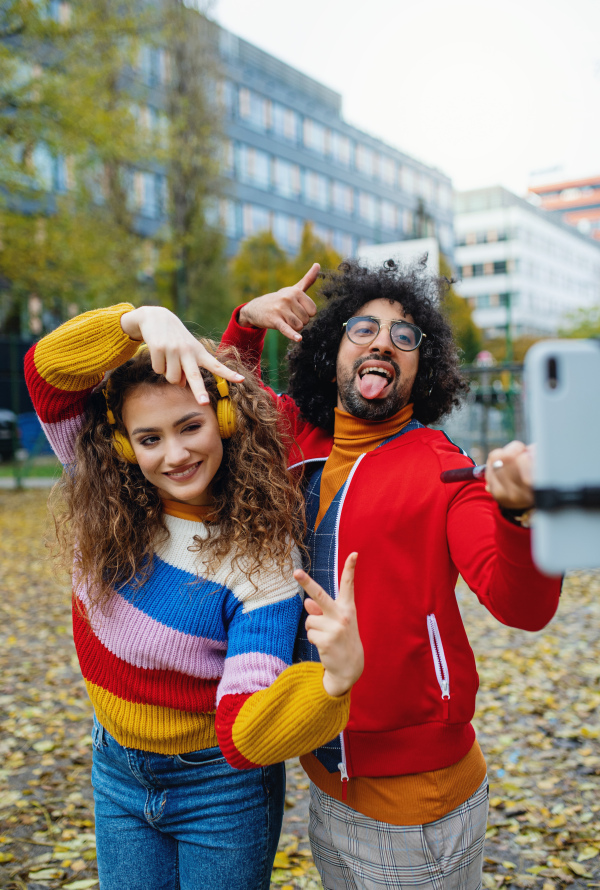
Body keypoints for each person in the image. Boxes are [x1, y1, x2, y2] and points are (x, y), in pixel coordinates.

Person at [220, 258, 563, 890]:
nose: (384, 340)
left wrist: (519, 515)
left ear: (420, 370)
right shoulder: (298, 438)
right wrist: (246, 323)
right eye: (365, 328)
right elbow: (220, 398)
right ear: (332, 350)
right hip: (325, 777)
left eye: (405, 336)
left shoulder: (444, 468)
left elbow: (522, 606)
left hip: (418, 805)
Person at [24, 301, 364, 890]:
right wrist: (138, 320)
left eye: (190, 426)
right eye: (149, 438)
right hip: (115, 769)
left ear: (226, 422)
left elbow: (244, 730)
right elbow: (46, 374)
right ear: (124, 446)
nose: (174, 455)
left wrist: (333, 684)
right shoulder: (100, 483)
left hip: (218, 789)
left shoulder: (260, 556)